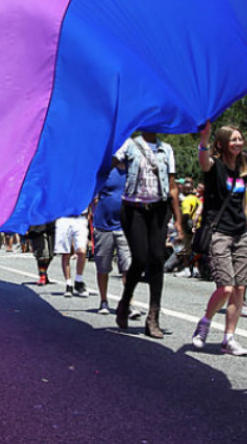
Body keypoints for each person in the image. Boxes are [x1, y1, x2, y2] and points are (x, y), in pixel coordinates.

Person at [189, 123, 247, 356]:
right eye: (233, 140)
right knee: (226, 287)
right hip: (219, 232)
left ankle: (229, 338)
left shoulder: (242, 167)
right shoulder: (215, 166)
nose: (238, 143)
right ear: (222, 143)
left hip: (241, 233)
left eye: (240, 139)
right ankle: (205, 323)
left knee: (240, 288)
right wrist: (204, 139)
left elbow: (245, 204)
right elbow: (203, 161)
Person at [111, 131, 182, 338]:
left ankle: (153, 317)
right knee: (140, 258)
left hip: (159, 210)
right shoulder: (129, 145)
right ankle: (125, 301)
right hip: (134, 209)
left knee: (157, 259)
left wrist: (178, 220)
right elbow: (111, 162)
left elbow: (173, 187)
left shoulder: (166, 149)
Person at [91, 166, 132, 314]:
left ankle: (128, 304)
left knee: (128, 267)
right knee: (103, 267)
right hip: (103, 226)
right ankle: (103, 301)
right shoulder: (103, 172)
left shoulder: (132, 172)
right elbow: (92, 195)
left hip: (124, 226)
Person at [55, 212, 89, 297]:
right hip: (64, 218)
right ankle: (68, 284)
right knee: (66, 253)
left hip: (80, 218)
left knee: (82, 252)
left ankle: (78, 281)